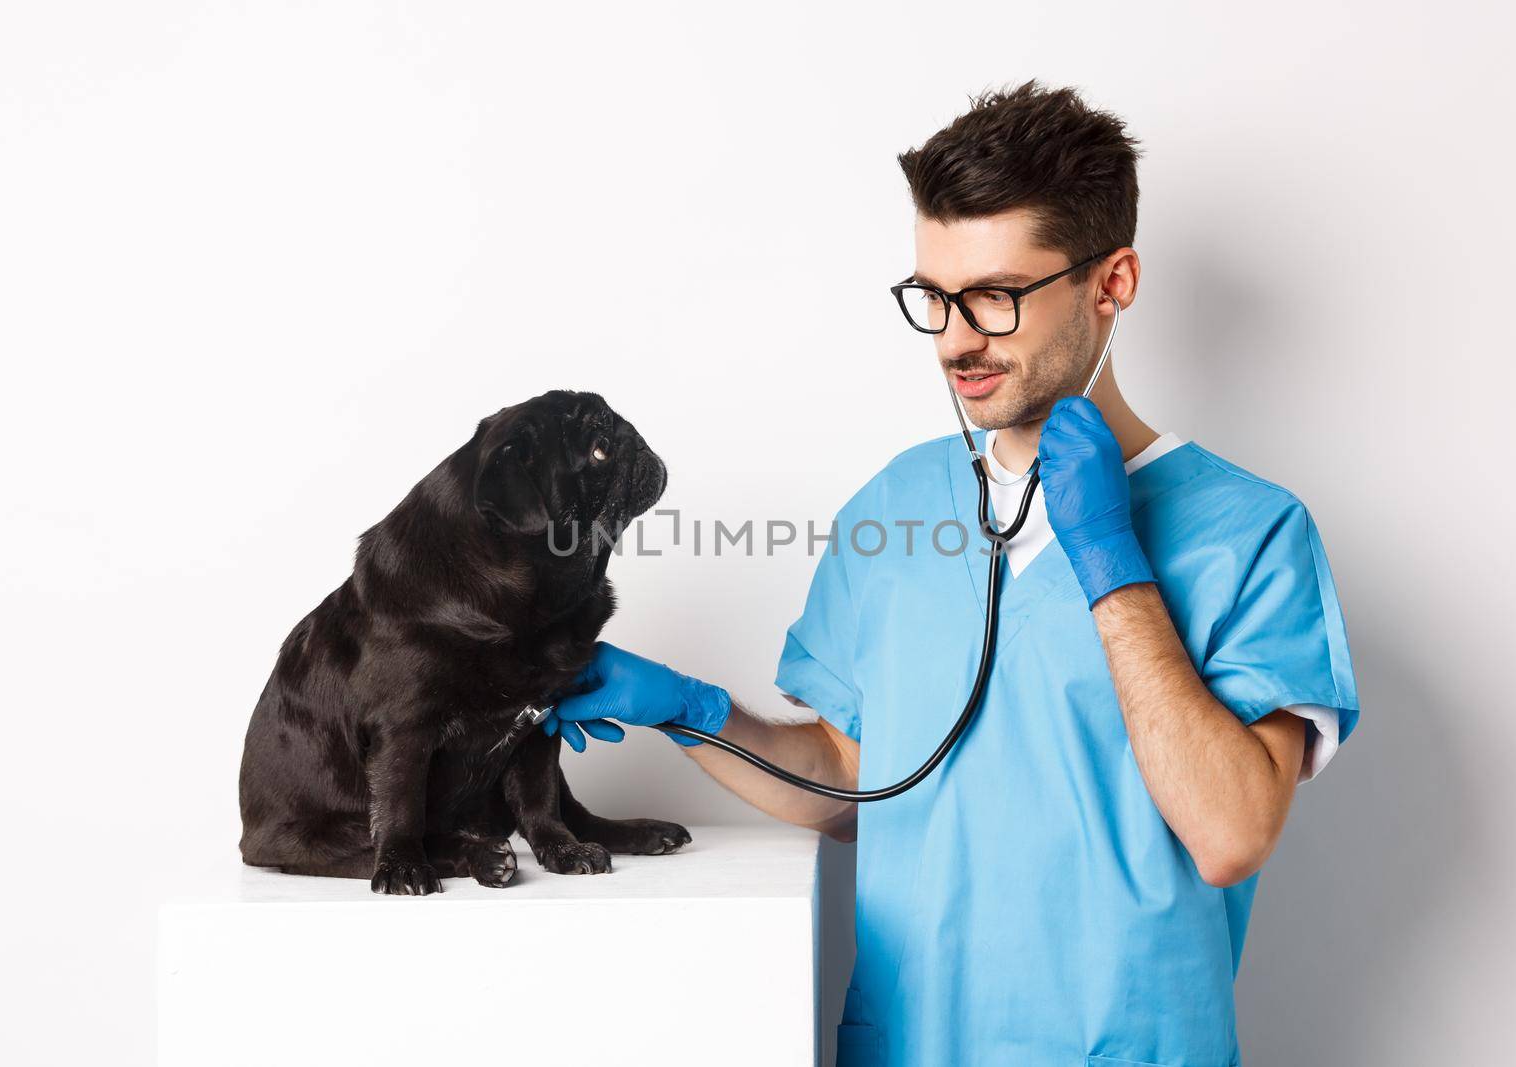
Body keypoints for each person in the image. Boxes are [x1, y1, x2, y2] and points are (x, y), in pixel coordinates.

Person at [543, 80, 1359, 1067]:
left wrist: (1110, 560)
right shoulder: (893, 505)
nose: (955, 340)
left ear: (1112, 283)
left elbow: (1231, 832)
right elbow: (856, 784)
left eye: (996, 297)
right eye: (933, 297)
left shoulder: (1252, 531)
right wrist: (688, 708)